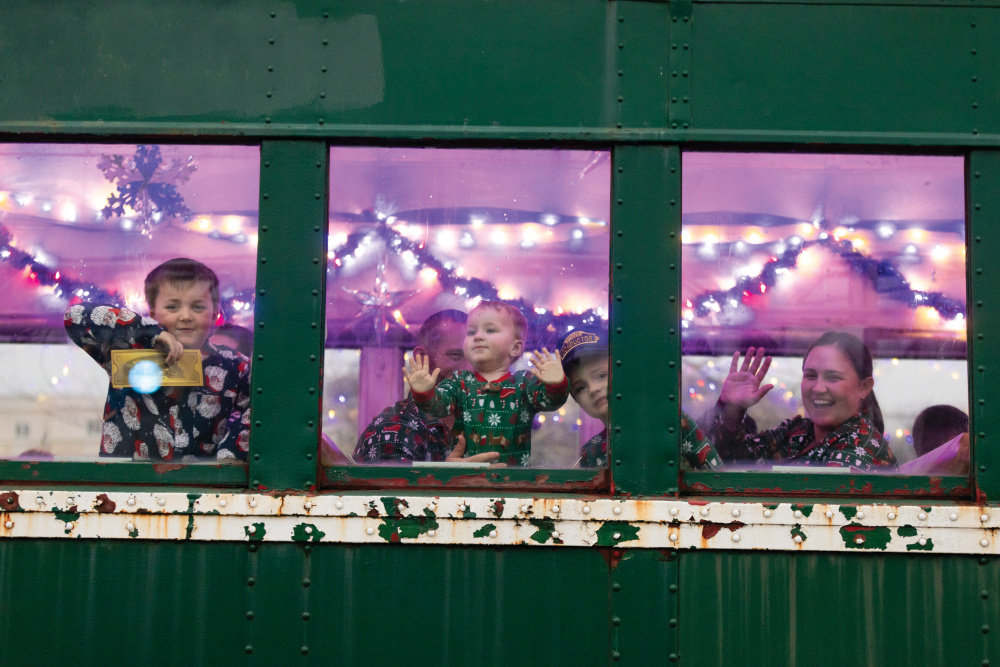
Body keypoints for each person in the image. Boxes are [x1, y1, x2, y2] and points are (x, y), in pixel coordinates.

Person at [64, 258, 251, 461]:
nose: (186, 316)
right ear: (153, 314)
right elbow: (75, 317)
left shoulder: (236, 365)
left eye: (198, 307)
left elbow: (253, 412)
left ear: (214, 314)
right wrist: (152, 332)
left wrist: (230, 457)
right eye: (172, 307)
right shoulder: (126, 351)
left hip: (206, 486)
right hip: (134, 486)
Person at [705, 331, 897, 471]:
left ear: (864, 387)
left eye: (833, 377)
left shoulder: (865, 446)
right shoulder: (796, 433)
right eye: (811, 376)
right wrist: (731, 410)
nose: (818, 388)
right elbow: (727, 461)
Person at [405, 301, 568, 466]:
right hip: (465, 479)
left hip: (511, 481)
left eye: (490, 330)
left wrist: (556, 384)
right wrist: (425, 391)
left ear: (515, 348)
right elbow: (438, 406)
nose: (478, 336)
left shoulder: (523, 383)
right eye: (471, 332)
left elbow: (549, 400)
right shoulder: (459, 382)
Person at [558, 327, 721, 470]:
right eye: (580, 387)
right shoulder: (591, 452)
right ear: (575, 399)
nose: (593, 389)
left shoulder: (671, 421)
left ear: (624, 371)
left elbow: (716, 478)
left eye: (602, 376)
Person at [353, 309, 476, 464]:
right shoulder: (391, 429)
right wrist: (450, 475)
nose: (470, 369)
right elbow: (391, 488)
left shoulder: (487, 418)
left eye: (475, 356)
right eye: (456, 356)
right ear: (421, 357)